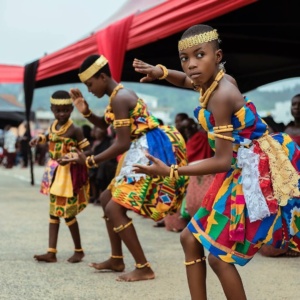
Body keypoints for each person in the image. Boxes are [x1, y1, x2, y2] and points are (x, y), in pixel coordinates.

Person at [132, 24, 300, 299]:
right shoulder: (215, 82)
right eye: (185, 58)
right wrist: (161, 72)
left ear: (218, 56)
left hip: (254, 178)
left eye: (200, 55)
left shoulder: (222, 96)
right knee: (189, 238)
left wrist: (172, 171)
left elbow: (221, 160)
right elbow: (187, 81)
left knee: (219, 259)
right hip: (239, 169)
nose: (191, 65)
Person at [62, 54, 189, 282]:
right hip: (140, 146)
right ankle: (116, 259)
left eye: (90, 84)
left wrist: (89, 161)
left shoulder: (120, 98)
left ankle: (144, 267)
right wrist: (86, 111)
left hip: (147, 149)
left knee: (114, 208)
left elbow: (121, 142)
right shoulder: (117, 96)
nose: (89, 90)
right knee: (105, 198)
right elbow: (107, 125)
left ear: (102, 77)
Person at [29, 90, 91, 263]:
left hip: (69, 177)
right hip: (55, 173)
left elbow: (88, 150)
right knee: (54, 213)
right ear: (52, 109)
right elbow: (49, 136)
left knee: (69, 214)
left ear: (71, 109)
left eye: (64, 110)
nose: (61, 113)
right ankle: (51, 252)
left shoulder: (75, 129)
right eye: (57, 110)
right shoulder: (53, 125)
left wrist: (72, 157)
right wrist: (39, 139)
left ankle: (79, 250)